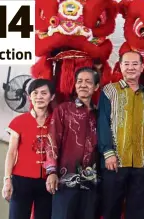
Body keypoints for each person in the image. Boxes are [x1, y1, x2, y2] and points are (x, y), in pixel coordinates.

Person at [97, 51, 144, 219]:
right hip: (115, 161)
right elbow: (102, 122)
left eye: (135, 64)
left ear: (141, 67)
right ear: (120, 66)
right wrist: (108, 152)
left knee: (139, 212)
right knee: (111, 209)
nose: (130, 67)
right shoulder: (109, 91)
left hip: (142, 163)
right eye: (126, 64)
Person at [44, 67, 100, 219]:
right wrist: (51, 171)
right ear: (75, 85)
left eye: (88, 82)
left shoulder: (99, 115)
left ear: (96, 87)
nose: (83, 85)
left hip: (91, 183)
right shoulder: (63, 110)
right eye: (79, 81)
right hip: (65, 181)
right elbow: (52, 140)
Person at [3, 79, 55, 219]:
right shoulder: (19, 121)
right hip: (21, 180)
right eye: (35, 93)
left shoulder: (56, 122)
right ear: (29, 96)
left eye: (44, 93)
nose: (39, 97)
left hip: (47, 181)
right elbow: (12, 152)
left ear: (52, 97)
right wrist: (7, 179)